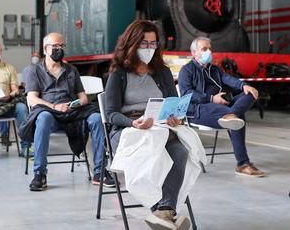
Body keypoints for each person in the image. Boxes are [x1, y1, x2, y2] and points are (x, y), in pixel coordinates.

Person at [105, 20, 205, 230]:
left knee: (180, 152)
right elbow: (111, 114)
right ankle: (162, 211)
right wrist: (133, 122)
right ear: (132, 43)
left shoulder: (163, 72)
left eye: (153, 44)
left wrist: (175, 117)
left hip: (160, 127)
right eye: (144, 43)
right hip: (128, 129)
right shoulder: (118, 74)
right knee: (154, 152)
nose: (149, 49)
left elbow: (173, 104)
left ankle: (164, 211)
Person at [22, 32, 111, 191]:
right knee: (42, 118)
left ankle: (99, 171)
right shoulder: (33, 70)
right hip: (50, 113)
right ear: (45, 49)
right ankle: (39, 174)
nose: (59, 49)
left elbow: (83, 98)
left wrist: (74, 104)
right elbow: (32, 99)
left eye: (62, 46)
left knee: (97, 118)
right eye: (55, 46)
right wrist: (55, 107)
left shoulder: (71, 70)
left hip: (73, 114)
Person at [178, 36, 265, 177]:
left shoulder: (215, 69)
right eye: (204, 49)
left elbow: (228, 79)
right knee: (238, 118)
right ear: (194, 53)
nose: (209, 52)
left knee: (249, 94)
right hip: (199, 109)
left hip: (222, 106)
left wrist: (244, 85)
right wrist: (212, 98)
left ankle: (231, 114)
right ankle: (242, 164)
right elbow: (186, 94)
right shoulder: (186, 70)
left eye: (210, 49)